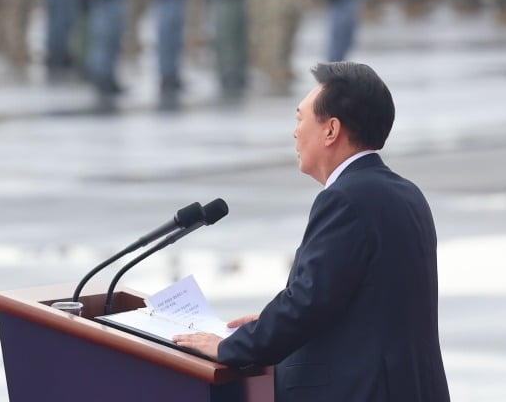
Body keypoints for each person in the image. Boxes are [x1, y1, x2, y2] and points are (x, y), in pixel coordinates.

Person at [174, 62, 450, 402]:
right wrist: (266, 323)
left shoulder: (345, 198)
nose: (294, 132)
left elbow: (309, 301)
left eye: (300, 118)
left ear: (331, 130)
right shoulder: (404, 193)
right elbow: (366, 300)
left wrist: (232, 347)